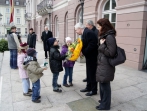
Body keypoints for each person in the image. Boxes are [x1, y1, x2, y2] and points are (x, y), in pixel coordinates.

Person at [96, 18, 117, 110]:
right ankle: (103, 100)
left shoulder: (109, 37)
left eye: (99, 26)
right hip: (103, 63)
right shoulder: (105, 35)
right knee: (102, 84)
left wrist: (101, 46)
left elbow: (111, 52)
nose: (98, 28)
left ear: (104, 27)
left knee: (105, 86)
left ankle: (105, 105)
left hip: (106, 65)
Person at [74, 22, 98, 96]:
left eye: (76, 30)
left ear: (79, 28)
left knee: (92, 73)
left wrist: (84, 51)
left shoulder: (88, 32)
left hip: (92, 56)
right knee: (89, 72)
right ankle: (88, 87)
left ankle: (93, 90)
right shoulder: (85, 32)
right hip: (89, 56)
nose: (76, 32)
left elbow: (92, 44)